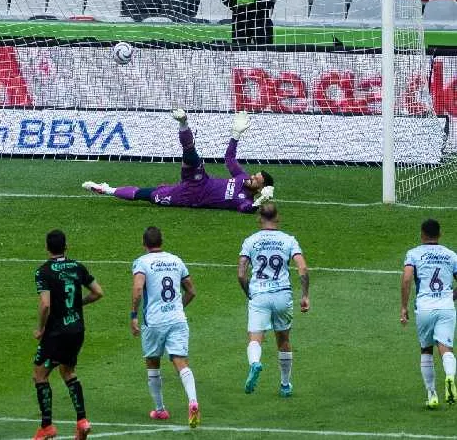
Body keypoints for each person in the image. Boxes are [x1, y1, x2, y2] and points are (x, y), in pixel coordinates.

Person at [83, 109, 274, 213]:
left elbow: (247, 209)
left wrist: (261, 201)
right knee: (191, 154)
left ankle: (106, 189)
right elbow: (229, 158)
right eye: (254, 174)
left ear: (259, 188)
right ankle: (183, 122)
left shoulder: (245, 200)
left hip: (187, 197)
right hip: (200, 181)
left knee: (146, 195)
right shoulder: (241, 177)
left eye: (256, 180)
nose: (251, 177)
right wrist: (236, 135)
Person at [32, 230, 104, 440]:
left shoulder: (43, 272)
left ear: (47, 247)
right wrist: (78, 304)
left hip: (56, 333)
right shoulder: (77, 267)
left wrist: (40, 328)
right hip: (77, 330)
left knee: (40, 374)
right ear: (66, 246)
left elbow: (45, 304)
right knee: (68, 371)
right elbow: (98, 292)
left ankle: (46, 426)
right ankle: (82, 420)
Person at [130, 226, 200, 428]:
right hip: (177, 318)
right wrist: (178, 306)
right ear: (162, 241)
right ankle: (193, 401)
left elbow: (137, 289)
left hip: (154, 321)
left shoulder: (142, 262)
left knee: (153, 363)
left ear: (144, 244)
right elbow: (191, 291)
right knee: (180, 361)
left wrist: (133, 315)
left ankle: (160, 410)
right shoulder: (176, 260)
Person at [238, 203, 310, 397]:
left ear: (259, 219)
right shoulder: (288, 240)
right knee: (284, 339)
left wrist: (249, 293)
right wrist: (305, 295)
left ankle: (255, 363)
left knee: (255, 337)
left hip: (259, 294)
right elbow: (302, 268)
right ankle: (285, 385)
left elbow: (241, 273)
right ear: (278, 218)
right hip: (282, 295)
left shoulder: (250, 241)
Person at [400, 219, 457, 409]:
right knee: (446, 348)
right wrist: (451, 295)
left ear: (422, 234)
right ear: (440, 235)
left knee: (426, 349)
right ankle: (450, 377)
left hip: (424, 308)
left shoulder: (414, 254)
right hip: (446, 307)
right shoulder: (451, 255)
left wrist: (403, 307)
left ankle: (432, 394)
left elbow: (407, 278)